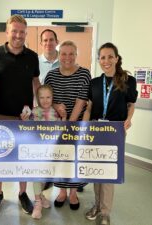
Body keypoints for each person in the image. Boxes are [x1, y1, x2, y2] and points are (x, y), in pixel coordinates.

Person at [0, 14, 40, 215]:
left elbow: (35, 82)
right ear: (7, 32)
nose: (18, 35)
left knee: (23, 157)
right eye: (14, 31)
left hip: (23, 118)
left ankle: (22, 193)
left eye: (22, 32)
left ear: (26, 33)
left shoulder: (32, 57)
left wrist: (43, 105)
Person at [83, 42, 138, 225]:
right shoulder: (94, 83)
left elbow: (131, 105)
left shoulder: (128, 80)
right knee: (96, 172)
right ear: (99, 60)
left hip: (115, 131)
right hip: (96, 130)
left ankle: (105, 212)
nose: (106, 61)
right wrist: (84, 125)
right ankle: (97, 206)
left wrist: (129, 119)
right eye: (102, 57)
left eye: (109, 56)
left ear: (116, 58)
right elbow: (89, 107)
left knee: (107, 172)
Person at [44, 40, 91, 210]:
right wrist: (56, 106)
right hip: (57, 126)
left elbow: (81, 102)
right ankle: (62, 191)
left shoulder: (84, 74)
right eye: (63, 53)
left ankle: (73, 193)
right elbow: (46, 99)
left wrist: (69, 126)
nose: (67, 57)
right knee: (61, 159)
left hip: (77, 125)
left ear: (76, 55)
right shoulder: (51, 75)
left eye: (71, 53)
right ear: (59, 55)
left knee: (74, 159)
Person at [21, 85, 65, 219]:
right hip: (36, 151)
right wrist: (25, 119)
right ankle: (37, 202)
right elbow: (27, 127)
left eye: (48, 97)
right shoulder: (33, 111)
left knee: (45, 177)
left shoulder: (56, 112)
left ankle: (41, 196)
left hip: (50, 152)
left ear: (52, 98)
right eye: (42, 98)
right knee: (36, 176)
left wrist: (64, 119)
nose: (45, 100)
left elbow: (61, 130)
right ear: (37, 98)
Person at [38, 29, 60, 191]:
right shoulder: (35, 62)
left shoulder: (65, 61)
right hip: (39, 116)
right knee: (41, 152)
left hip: (58, 115)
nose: (48, 43)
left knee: (56, 151)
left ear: (56, 41)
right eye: (45, 40)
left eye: (51, 40)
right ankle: (42, 189)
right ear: (41, 43)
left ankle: (59, 183)